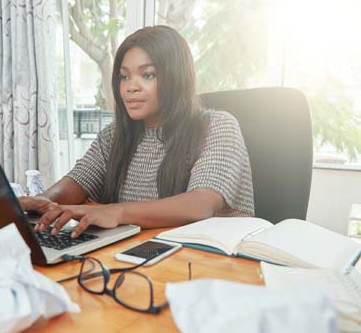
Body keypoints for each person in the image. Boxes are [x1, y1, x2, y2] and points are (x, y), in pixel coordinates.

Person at [20, 25, 254, 238]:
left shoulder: (217, 126)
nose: (131, 87)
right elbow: (77, 182)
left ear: (176, 78)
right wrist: (45, 201)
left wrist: (116, 212)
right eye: (124, 76)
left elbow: (202, 204)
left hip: (214, 262)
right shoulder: (114, 136)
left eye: (148, 75)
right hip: (144, 256)